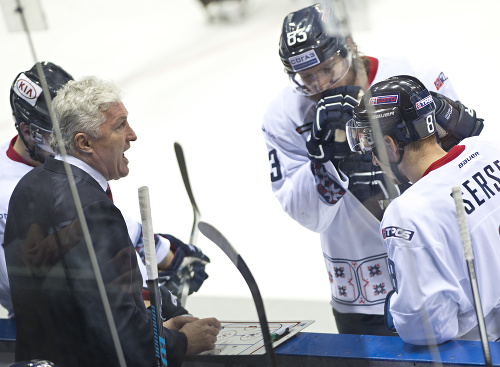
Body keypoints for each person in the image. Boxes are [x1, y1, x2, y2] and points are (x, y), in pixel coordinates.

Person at [261, 3, 484, 335]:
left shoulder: (412, 75)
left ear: (348, 46)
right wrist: (327, 158)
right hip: (363, 288)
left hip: (444, 263)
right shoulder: (284, 115)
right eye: (306, 78)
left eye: (328, 69)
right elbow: (306, 214)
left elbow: (462, 158)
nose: (320, 84)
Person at [3, 76, 221, 366]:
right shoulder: (94, 208)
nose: (132, 135)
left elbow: (73, 310)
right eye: (120, 126)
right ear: (84, 142)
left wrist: (159, 327)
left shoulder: (27, 187)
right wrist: (182, 342)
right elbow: (122, 339)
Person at [347, 74, 500, 344]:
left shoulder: (408, 212)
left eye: (372, 144)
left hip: (478, 350)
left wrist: (396, 307)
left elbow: (427, 328)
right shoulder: (486, 150)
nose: (373, 158)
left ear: (389, 145)